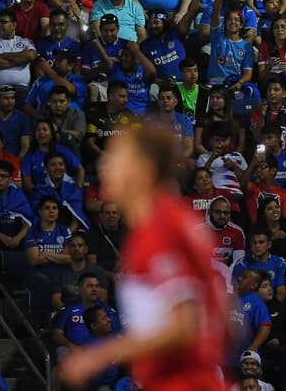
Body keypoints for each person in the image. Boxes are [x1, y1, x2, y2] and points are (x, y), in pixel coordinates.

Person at [59, 124, 230, 391]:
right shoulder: (163, 221)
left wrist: (99, 355)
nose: (106, 164)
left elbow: (186, 323)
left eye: (119, 159)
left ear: (143, 171)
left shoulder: (160, 230)